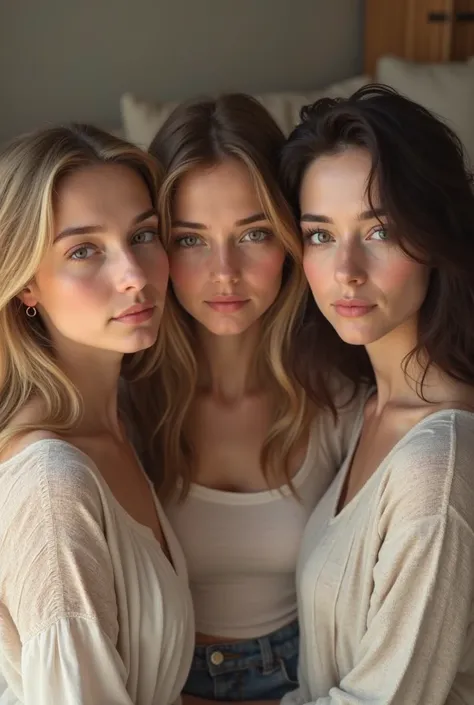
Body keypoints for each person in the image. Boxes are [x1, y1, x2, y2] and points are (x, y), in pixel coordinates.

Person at [129, 94, 363, 702]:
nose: (224, 272)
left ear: (291, 237)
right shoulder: (123, 402)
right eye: (191, 239)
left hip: (306, 678)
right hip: (160, 682)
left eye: (253, 233)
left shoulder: (342, 397)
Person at [274, 84, 474, 704]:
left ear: (433, 238)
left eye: (379, 230)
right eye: (320, 234)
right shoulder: (364, 406)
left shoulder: (436, 466)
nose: (346, 271)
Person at [0, 124, 193, 705]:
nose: (133, 274)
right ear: (26, 282)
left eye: (144, 235)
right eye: (84, 250)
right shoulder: (52, 484)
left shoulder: (125, 422)